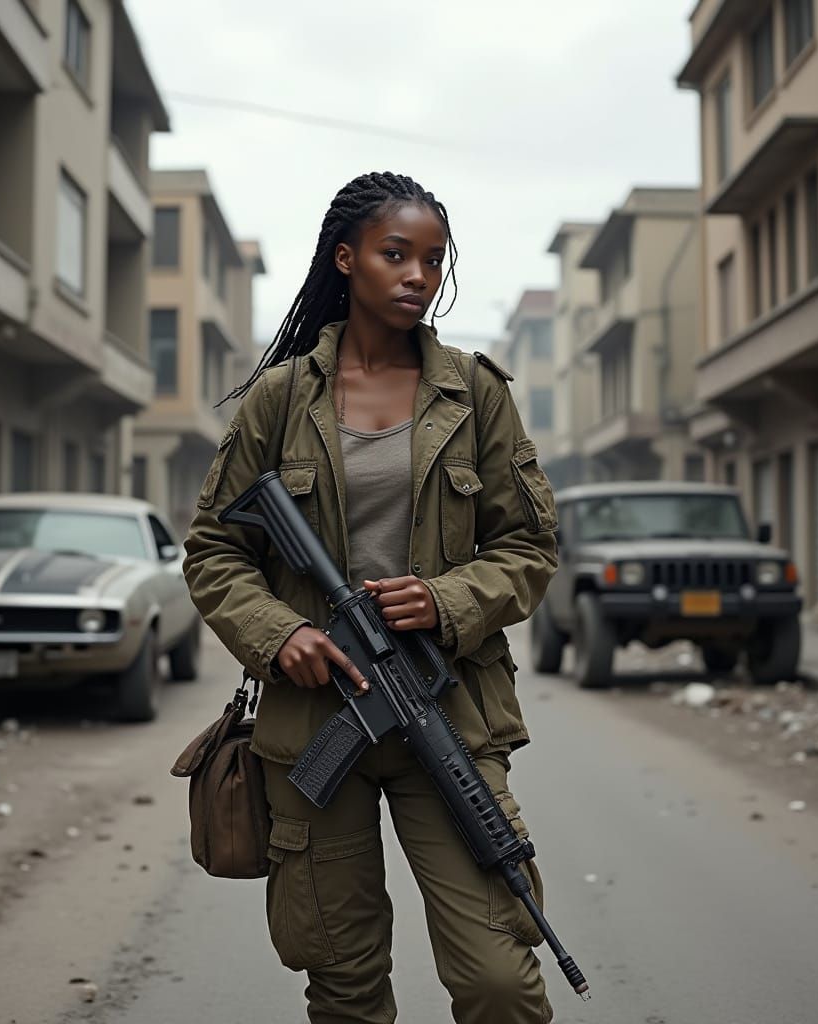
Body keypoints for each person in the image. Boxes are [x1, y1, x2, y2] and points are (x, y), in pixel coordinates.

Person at [184, 171, 559, 1024]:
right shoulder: (280, 400)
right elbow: (214, 549)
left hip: (447, 712)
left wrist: (447, 599)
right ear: (347, 259)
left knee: (499, 976)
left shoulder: (476, 394)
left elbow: (530, 546)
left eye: (434, 260)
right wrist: (280, 636)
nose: (418, 275)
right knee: (344, 982)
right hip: (316, 726)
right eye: (397, 254)